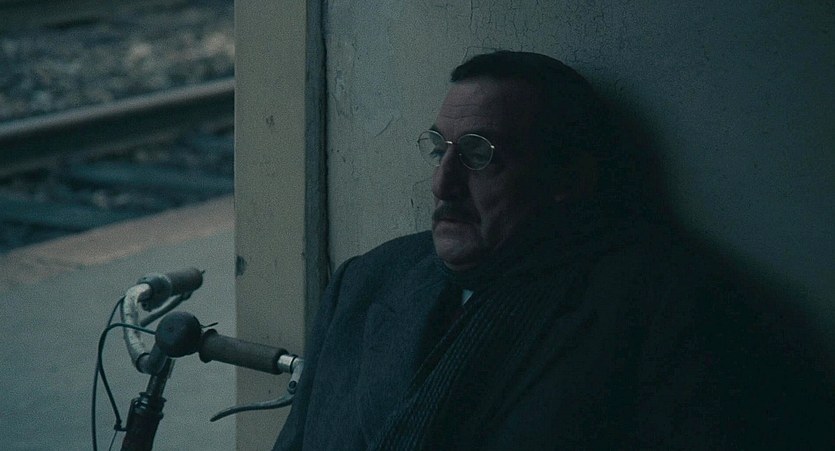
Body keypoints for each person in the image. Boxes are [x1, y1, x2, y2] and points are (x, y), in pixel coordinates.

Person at [273, 51, 833, 450]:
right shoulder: (370, 280)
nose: (442, 185)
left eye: (480, 156)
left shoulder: (670, 306)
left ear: (569, 177)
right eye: (440, 149)